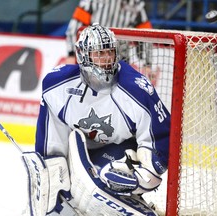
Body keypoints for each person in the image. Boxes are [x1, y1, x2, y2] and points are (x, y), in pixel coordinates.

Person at [22, 23, 170, 216]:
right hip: (78, 156)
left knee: (106, 184)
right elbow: (52, 145)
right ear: (83, 55)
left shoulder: (137, 90)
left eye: (109, 53)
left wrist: (139, 180)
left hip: (118, 156)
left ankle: (128, 200)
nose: (106, 59)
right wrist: (50, 180)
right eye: (99, 54)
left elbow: (158, 140)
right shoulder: (57, 86)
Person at [65, 0, 152, 64]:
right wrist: (72, 53)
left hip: (121, 60)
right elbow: (74, 28)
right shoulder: (91, 2)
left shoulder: (136, 4)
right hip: (92, 58)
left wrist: (147, 63)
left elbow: (146, 35)